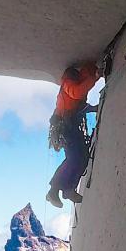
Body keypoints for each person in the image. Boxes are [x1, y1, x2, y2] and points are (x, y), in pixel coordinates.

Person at [46, 61, 99, 207]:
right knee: (75, 157)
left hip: (69, 125)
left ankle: (68, 189)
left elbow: (78, 105)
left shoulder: (76, 86)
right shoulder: (69, 82)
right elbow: (77, 93)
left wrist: (92, 108)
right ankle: (55, 190)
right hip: (65, 126)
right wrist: (94, 77)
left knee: (81, 158)